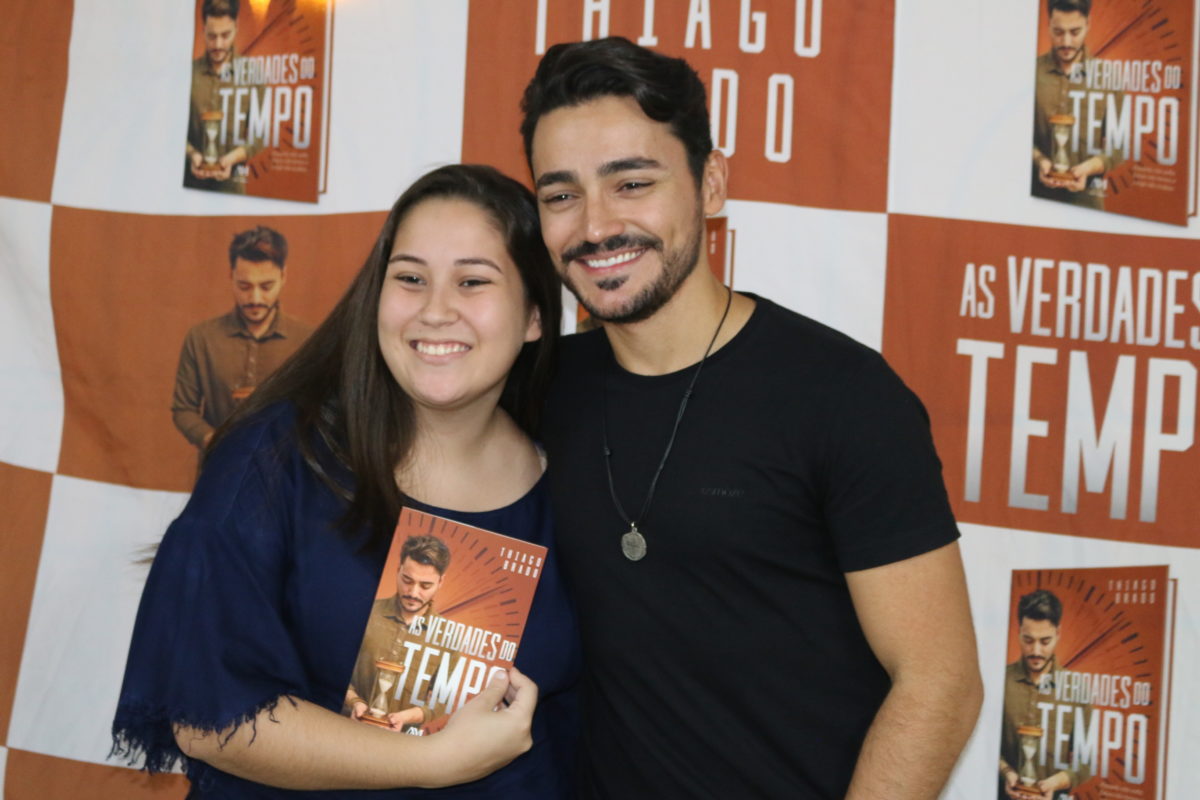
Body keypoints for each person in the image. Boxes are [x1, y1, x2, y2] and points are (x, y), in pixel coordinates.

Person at [523, 37, 983, 799]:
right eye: (561, 196)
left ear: (710, 184)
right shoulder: (536, 388)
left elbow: (940, 683)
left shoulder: (841, 394)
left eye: (632, 183)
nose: (596, 226)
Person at [113, 164, 579, 798]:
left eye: (473, 281)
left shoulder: (577, 481)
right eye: (410, 278)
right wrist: (431, 762)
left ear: (535, 316)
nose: (436, 310)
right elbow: (206, 717)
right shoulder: (274, 457)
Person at [171, 225, 313, 449]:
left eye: (266, 286)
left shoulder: (307, 340)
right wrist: (216, 442)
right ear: (231, 275)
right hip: (219, 464)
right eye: (244, 286)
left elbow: (320, 410)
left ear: (283, 276)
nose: (255, 298)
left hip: (285, 466)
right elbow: (183, 409)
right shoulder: (201, 338)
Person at [345, 535, 459, 732]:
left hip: (401, 742)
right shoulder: (365, 611)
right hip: (346, 728)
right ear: (398, 570)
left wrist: (405, 717)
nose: (413, 593)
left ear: (441, 581)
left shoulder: (449, 637)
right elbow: (335, 667)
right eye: (407, 580)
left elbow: (440, 701)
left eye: (425, 586)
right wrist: (354, 702)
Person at [998, 590, 1090, 799]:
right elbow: (984, 744)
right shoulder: (999, 681)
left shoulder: (1077, 688)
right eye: (1028, 640)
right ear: (1018, 632)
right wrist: (1006, 772)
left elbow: (1087, 761)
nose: (1036, 651)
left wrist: (1056, 783)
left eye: (1045, 641)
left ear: (1058, 633)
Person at [1031, 0, 1121, 209]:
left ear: (1088, 24)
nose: (1066, 42)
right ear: (1048, 25)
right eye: (1058, 32)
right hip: (1035, 198)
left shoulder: (1109, 78)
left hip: (1087, 204)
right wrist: (1039, 160)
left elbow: (1120, 145)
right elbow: (1014, 136)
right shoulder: (1030, 71)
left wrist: (1089, 168)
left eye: (1075, 32)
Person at [184, 0, 256, 193]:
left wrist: (233, 158)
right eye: (211, 36)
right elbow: (171, 128)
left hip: (232, 190)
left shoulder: (252, 74)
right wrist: (192, 154)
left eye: (225, 35)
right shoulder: (188, 73)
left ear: (236, 28)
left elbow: (261, 135)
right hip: (189, 187)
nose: (218, 44)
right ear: (203, 30)